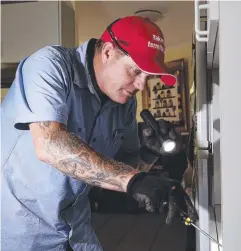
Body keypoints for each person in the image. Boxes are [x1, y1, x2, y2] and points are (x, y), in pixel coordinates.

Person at [1, 16, 197, 251]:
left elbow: (118, 169)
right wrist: (133, 180)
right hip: (18, 228)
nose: (141, 86)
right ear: (107, 52)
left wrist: (147, 154)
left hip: (75, 227)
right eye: (135, 71)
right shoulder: (50, 65)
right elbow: (50, 144)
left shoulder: (124, 105)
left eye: (148, 76)